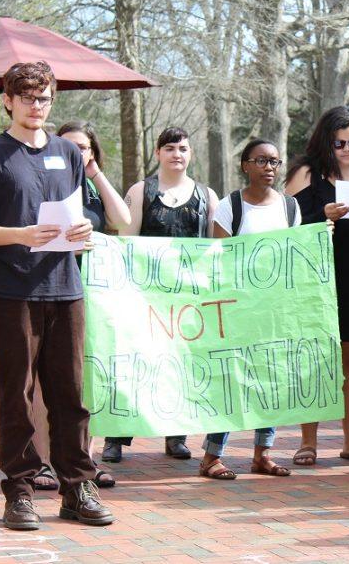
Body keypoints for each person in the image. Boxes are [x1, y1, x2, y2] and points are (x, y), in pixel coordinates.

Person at [0, 61, 113, 530]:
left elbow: (74, 215)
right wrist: (22, 233)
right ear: (8, 100)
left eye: (44, 97)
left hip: (66, 289)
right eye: (27, 97)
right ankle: (20, 492)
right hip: (14, 292)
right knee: (16, 395)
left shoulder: (68, 153)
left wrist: (83, 229)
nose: (36, 105)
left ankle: (77, 487)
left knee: (70, 394)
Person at [101, 127, 219, 464]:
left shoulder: (206, 195)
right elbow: (125, 241)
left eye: (182, 148)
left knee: (179, 366)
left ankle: (176, 436)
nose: (176, 154)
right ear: (157, 153)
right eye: (169, 148)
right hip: (144, 296)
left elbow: (214, 249)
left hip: (186, 301)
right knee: (131, 367)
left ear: (190, 154)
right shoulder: (141, 191)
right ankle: (115, 437)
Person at [30, 120, 131, 490]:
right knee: (44, 381)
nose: (76, 153)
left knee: (84, 380)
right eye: (68, 146)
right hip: (48, 288)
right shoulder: (46, 182)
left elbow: (123, 220)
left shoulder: (91, 185)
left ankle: (82, 457)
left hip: (93, 294)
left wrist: (96, 173)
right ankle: (41, 461)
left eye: (83, 148)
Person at [284, 106, 349, 466]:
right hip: (318, 278)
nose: (347, 149)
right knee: (315, 360)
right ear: (326, 141)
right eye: (339, 142)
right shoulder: (307, 173)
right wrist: (320, 216)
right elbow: (284, 223)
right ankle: (307, 442)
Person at [198, 138, 299, 479]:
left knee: (271, 378)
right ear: (245, 165)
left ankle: (263, 453)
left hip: (275, 310)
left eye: (274, 162)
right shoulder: (231, 207)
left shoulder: (290, 207)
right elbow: (219, 258)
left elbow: (295, 256)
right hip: (239, 309)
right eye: (260, 161)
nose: (269, 167)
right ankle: (212, 456)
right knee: (231, 379)